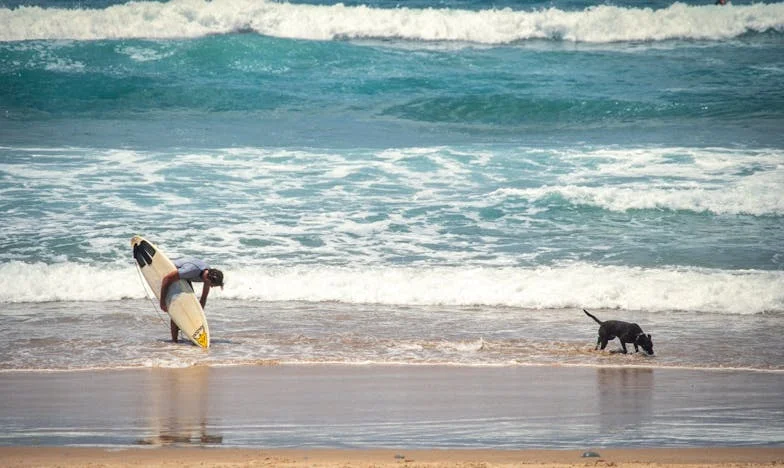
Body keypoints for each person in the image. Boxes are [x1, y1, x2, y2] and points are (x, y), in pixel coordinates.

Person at [160, 258, 224, 342]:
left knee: (190, 306)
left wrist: (198, 316)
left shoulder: (207, 274)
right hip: (172, 272)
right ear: (208, 278)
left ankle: (178, 335)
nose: (211, 286)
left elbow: (203, 298)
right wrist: (162, 302)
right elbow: (167, 279)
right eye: (211, 284)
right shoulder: (192, 270)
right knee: (179, 308)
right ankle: (174, 341)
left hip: (185, 278)